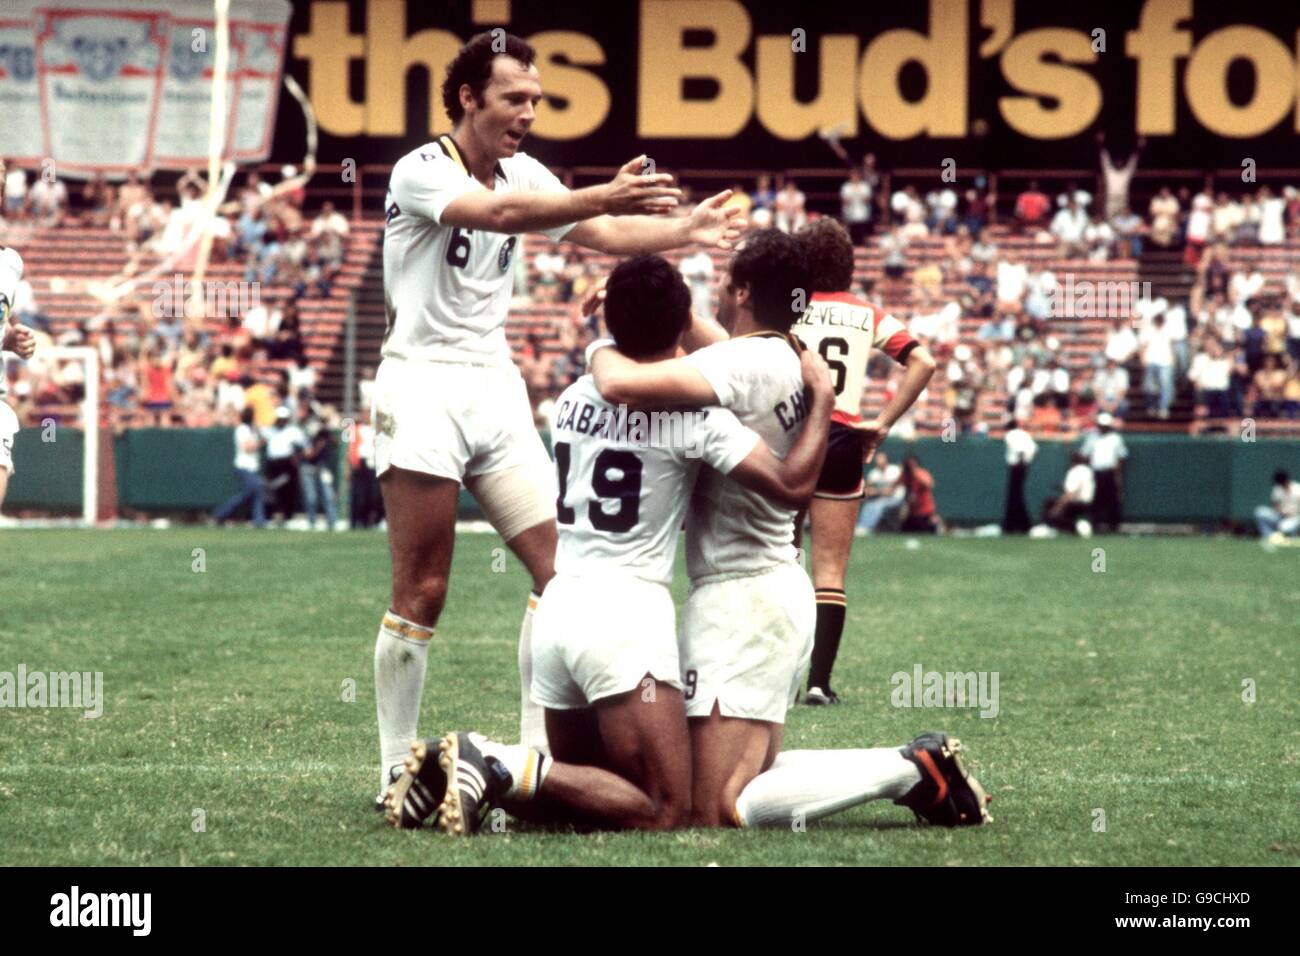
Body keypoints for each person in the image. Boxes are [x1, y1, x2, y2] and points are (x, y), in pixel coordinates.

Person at [368, 30, 745, 808]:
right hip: (422, 384)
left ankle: (528, 761)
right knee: (425, 589)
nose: (528, 113)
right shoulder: (422, 169)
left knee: (562, 575)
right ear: (469, 97)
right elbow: (503, 213)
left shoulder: (526, 172)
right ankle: (395, 770)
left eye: (536, 100)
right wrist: (599, 194)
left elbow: (599, 233)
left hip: (495, 386)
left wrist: (687, 233)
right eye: (514, 98)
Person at [383, 254, 835, 832]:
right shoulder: (695, 418)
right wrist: (820, 400)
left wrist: (602, 342)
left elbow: (645, 368)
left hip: (558, 608)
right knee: (669, 810)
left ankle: (471, 777)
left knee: (587, 805)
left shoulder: (573, 398)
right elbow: (791, 485)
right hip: (626, 621)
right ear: (678, 328)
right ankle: (492, 759)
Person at [585, 230, 989, 830]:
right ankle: (911, 770)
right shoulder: (779, 354)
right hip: (767, 590)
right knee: (731, 781)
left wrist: (602, 343)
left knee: (713, 807)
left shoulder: (746, 362)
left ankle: (909, 769)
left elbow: (621, 385)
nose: (715, 294)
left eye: (724, 283)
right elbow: (727, 348)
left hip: (743, 600)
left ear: (744, 290)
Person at [789, 219, 934, 705]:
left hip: (788, 433)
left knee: (778, 559)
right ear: (849, 266)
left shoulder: (787, 308)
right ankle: (817, 681)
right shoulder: (868, 314)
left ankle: (774, 676)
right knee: (829, 570)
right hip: (843, 435)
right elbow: (923, 361)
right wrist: (884, 421)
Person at [212, 407, 266, 528]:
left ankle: (259, 521)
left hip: (252, 467)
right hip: (244, 466)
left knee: (257, 493)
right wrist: (261, 442)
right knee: (248, 493)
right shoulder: (242, 429)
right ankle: (220, 514)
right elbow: (247, 448)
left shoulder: (251, 429)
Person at [1082, 412, 1127, 532]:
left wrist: (1117, 472)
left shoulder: (1115, 438)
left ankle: (1114, 526)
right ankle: (1095, 524)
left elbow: (1122, 456)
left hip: (1110, 472)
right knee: (1095, 499)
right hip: (1095, 473)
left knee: (1113, 500)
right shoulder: (1092, 438)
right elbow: (1085, 454)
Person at [297, 403, 338, 530]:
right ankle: (312, 521)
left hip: (322, 467)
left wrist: (327, 436)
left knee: (328, 496)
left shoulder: (326, 431)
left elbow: (335, 443)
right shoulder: (310, 428)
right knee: (311, 497)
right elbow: (308, 454)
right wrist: (319, 443)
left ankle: (332, 522)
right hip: (309, 467)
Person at [263, 405, 305, 523]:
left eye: (283, 419)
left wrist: (297, 457)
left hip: (286, 463)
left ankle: (288, 516)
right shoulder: (270, 430)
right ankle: (269, 516)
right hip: (273, 463)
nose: (281, 421)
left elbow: (303, 446)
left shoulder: (293, 431)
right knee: (271, 490)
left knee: (288, 491)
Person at [1038, 452, 1095, 536]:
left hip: (1076, 504)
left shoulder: (1075, 471)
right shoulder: (1087, 470)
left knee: (1050, 508)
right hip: (1087, 504)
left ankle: (1075, 528)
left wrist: (1057, 508)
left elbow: (1070, 494)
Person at [1003, 416, 1037, 534]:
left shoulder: (1010, 435)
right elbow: (1033, 449)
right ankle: (1020, 524)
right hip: (1024, 466)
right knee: (1017, 495)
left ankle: (1014, 525)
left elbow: (1019, 449)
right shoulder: (1024, 434)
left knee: (1014, 495)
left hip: (1017, 466)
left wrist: (1020, 462)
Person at [857, 452, 904, 534]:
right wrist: (873, 492)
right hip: (879, 499)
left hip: (896, 499)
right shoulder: (874, 473)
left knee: (878, 505)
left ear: (886, 460)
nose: (879, 461)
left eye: (881, 459)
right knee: (869, 505)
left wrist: (876, 491)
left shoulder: (895, 470)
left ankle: (868, 528)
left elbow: (890, 492)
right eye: (877, 459)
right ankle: (862, 527)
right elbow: (868, 490)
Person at [1255, 470, 1300, 542]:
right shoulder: (1277, 489)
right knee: (1259, 511)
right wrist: (1282, 512)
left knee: (1285, 527)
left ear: (1286, 480)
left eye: (1281, 483)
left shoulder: (1297, 489)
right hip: (1280, 516)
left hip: (1294, 517)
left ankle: (1289, 537)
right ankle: (1269, 537)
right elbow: (1275, 505)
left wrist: (1293, 513)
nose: (1280, 485)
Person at [899, 455, 941, 533]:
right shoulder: (905, 475)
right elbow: (893, 487)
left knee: (926, 529)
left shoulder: (922, 473)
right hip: (911, 511)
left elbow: (930, 485)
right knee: (905, 529)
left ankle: (936, 523)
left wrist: (915, 474)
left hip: (925, 510)